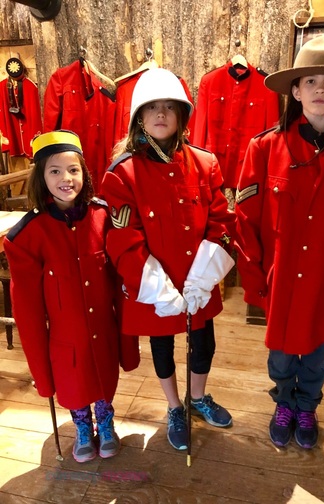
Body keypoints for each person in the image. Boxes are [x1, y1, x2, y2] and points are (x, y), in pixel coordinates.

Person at [235, 35, 324, 450]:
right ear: (295, 91)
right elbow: (246, 220)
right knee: (281, 356)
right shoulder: (263, 148)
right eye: (310, 81)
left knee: (318, 355)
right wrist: (254, 277)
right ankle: (283, 401)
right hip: (281, 285)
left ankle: (307, 405)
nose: (319, 89)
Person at [101, 67, 235, 451]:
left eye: (169, 107)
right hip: (155, 284)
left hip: (199, 280)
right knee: (162, 349)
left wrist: (204, 278)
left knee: (203, 343)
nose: (161, 114)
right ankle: (174, 406)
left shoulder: (205, 163)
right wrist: (159, 291)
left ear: (181, 115)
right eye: (152, 108)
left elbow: (222, 222)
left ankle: (198, 398)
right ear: (139, 118)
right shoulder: (122, 174)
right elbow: (123, 239)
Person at [3, 130, 124, 463]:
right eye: (54, 171)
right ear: (41, 177)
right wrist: (41, 373)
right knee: (74, 386)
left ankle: (107, 424)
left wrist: (127, 340)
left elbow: (118, 284)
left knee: (103, 382)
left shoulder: (103, 217)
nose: (65, 178)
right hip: (64, 339)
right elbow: (27, 313)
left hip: (104, 330)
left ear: (84, 174)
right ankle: (83, 428)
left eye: (73, 169)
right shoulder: (27, 237)